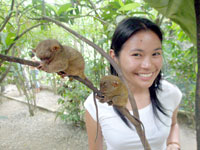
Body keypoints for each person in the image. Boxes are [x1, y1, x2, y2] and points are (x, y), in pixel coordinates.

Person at [84, 17, 182, 150]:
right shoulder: (96, 104)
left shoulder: (169, 93)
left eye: (156, 53)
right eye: (137, 54)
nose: (148, 65)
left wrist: (173, 143)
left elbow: (173, 124)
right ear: (114, 57)